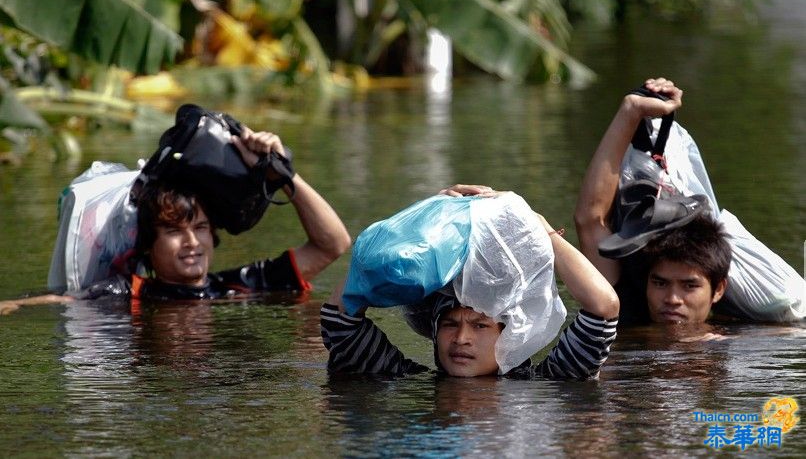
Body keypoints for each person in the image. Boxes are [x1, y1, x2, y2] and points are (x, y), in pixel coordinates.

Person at [0, 126, 351, 313]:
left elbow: (333, 244)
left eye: (200, 228)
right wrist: (12, 305)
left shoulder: (239, 286)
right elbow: (60, 301)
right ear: (148, 247)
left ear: (214, 237)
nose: (192, 242)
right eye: (172, 230)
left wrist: (282, 174)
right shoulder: (131, 291)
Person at [321, 185, 619, 379]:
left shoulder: (550, 380)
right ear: (435, 331)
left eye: (479, 325)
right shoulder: (401, 377)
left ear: (511, 331)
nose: (461, 339)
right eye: (450, 324)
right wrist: (429, 218)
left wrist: (537, 226)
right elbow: (341, 316)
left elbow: (603, 307)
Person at [574, 77, 731, 325]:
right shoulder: (626, 314)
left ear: (718, 290)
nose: (673, 299)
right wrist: (631, 111)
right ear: (646, 281)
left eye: (689, 285)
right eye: (659, 283)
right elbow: (590, 219)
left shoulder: (736, 336)